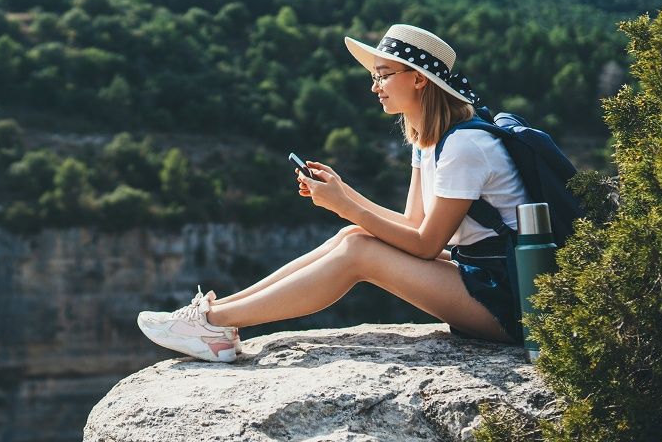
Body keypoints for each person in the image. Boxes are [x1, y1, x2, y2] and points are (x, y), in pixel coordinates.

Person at [136, 24, 527, 363]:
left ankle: (213, 326)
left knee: (359, 250)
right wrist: (347, 197)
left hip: (509, 301)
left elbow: (424, 245)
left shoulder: (465, 146)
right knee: (353, 236)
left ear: (419, 79)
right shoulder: (429, 140)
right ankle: (215, 314)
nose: (374, 86)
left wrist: (344, 207)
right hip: (483, 277)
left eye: (384, 75)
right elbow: (411, 224)